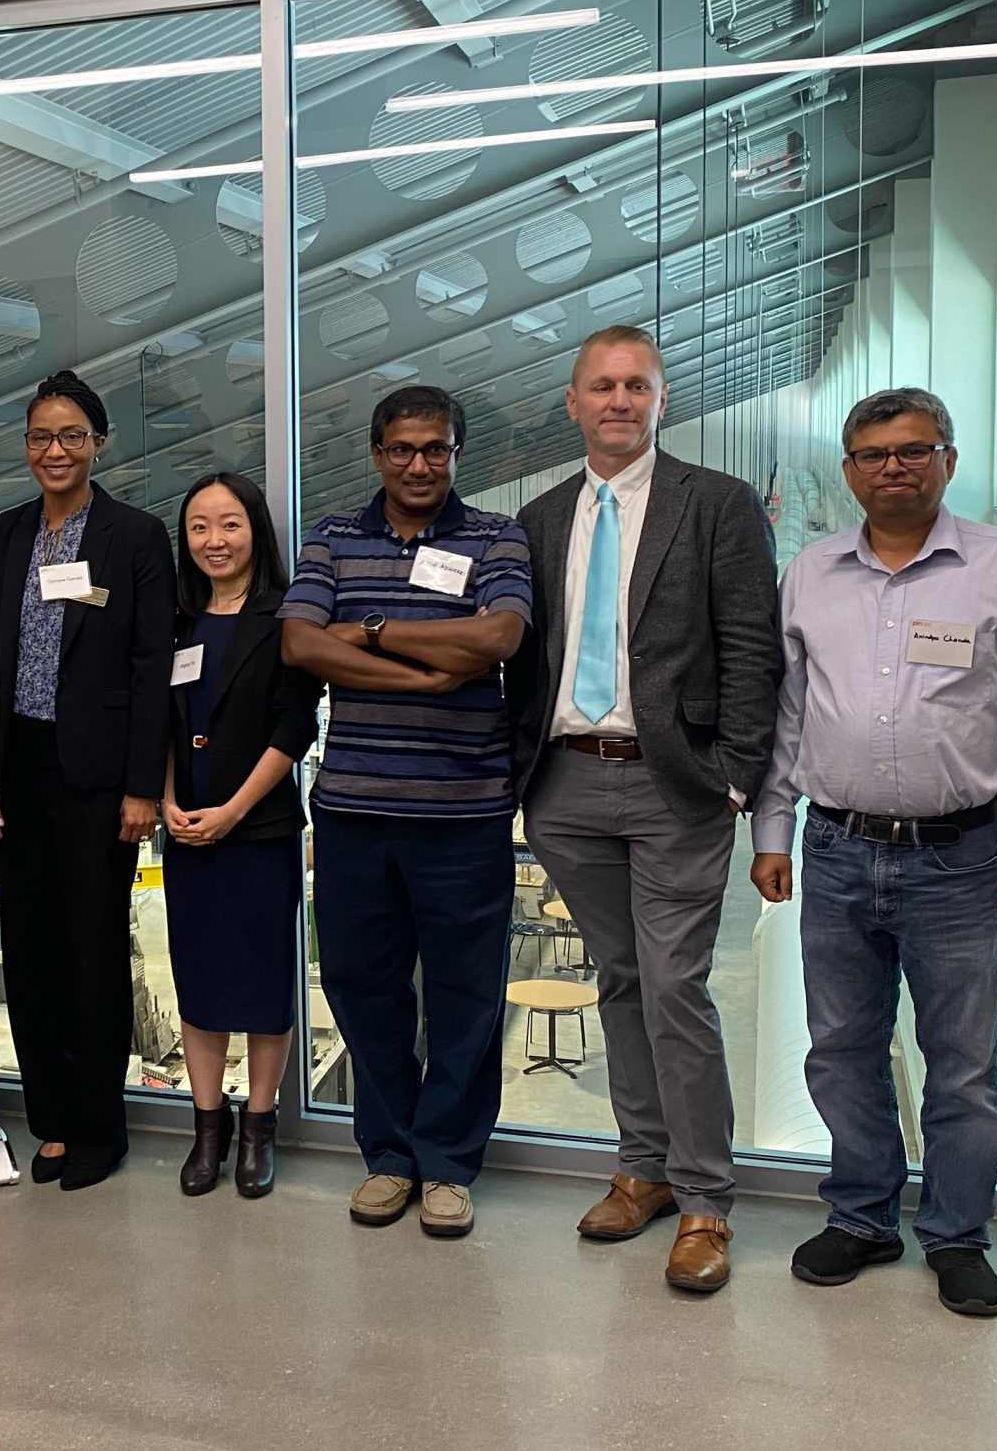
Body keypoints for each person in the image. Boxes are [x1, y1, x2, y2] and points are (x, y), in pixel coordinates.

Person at [751, 387, 997, 1320]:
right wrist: (772, 831)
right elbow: (787, 716)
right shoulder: (811, 573)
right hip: (839, 850)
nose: (893, 466)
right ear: (848, 470)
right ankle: (861, 1215)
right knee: (841, 1048)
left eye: (913, 449)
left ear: (948, 458)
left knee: (962, 1062)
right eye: (873, 454)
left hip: (964, 861)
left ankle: (957, 1234)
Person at [505, 327, 782, 1295]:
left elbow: (753, 650)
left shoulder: (716, 505)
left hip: (674, 782)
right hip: (565, 783)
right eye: (601, 387)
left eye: (636, 386)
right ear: (570, 403)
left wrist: (735, 776)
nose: (618, 401)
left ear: (662, 401)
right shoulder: (538, 520)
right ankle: (643, 1168)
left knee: (674, 986)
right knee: (618, 979)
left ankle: (705, 1200)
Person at [279, 387, 532, 1240]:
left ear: (459, 452)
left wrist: (370, 631)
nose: (419, 465)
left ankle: (450, 1164)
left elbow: (498, 638)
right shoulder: (334, 537)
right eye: (402, 449)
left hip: (463, 813)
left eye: (436, 449)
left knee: (466, 997)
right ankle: (389, 1156)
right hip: (354, 811)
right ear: (376, 452)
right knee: (363, 988)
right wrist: (426, 666)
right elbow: (301, 643)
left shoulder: (498, 534)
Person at [0, 370, 177, 1191]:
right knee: (31, 950)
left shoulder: (134, 536)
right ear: (26, 448)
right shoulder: (8, 534)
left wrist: (140, 787)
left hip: (98, 779)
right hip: (17, 767)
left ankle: (99, 1127)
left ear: (98, 444)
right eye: (41, 437)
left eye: (71, 436)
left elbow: (152, 666)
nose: (56, 450)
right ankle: (50, 1119)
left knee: (93, 950)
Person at [160, 471, 321, 1199]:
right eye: (199, 526)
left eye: (229, 524)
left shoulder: (287, 616)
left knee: (260, 983)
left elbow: (295, 726)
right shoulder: (174, 620)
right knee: (198, 982)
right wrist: (167, 800)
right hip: (187, 830)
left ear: (255, 529)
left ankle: (259, 1128)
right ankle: (207, 1128)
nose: (214, 540)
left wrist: (231, 810)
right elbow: (156, 722)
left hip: (258, 831)